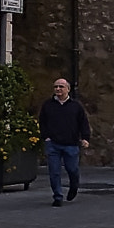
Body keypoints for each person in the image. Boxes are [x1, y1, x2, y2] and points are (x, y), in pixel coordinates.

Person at [39, 76, 92, 204]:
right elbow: (42, 122)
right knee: (54, 172)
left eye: (61, 87)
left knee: (72, 169)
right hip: (53, 144)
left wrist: (85, 138)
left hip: (71, 144)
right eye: (56, 87)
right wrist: (46, 136)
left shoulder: (76, 106)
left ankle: (74, 186)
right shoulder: (48, 105)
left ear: (68, 89)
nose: (58, 89)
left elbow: (83, 123)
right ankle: (57, 196)